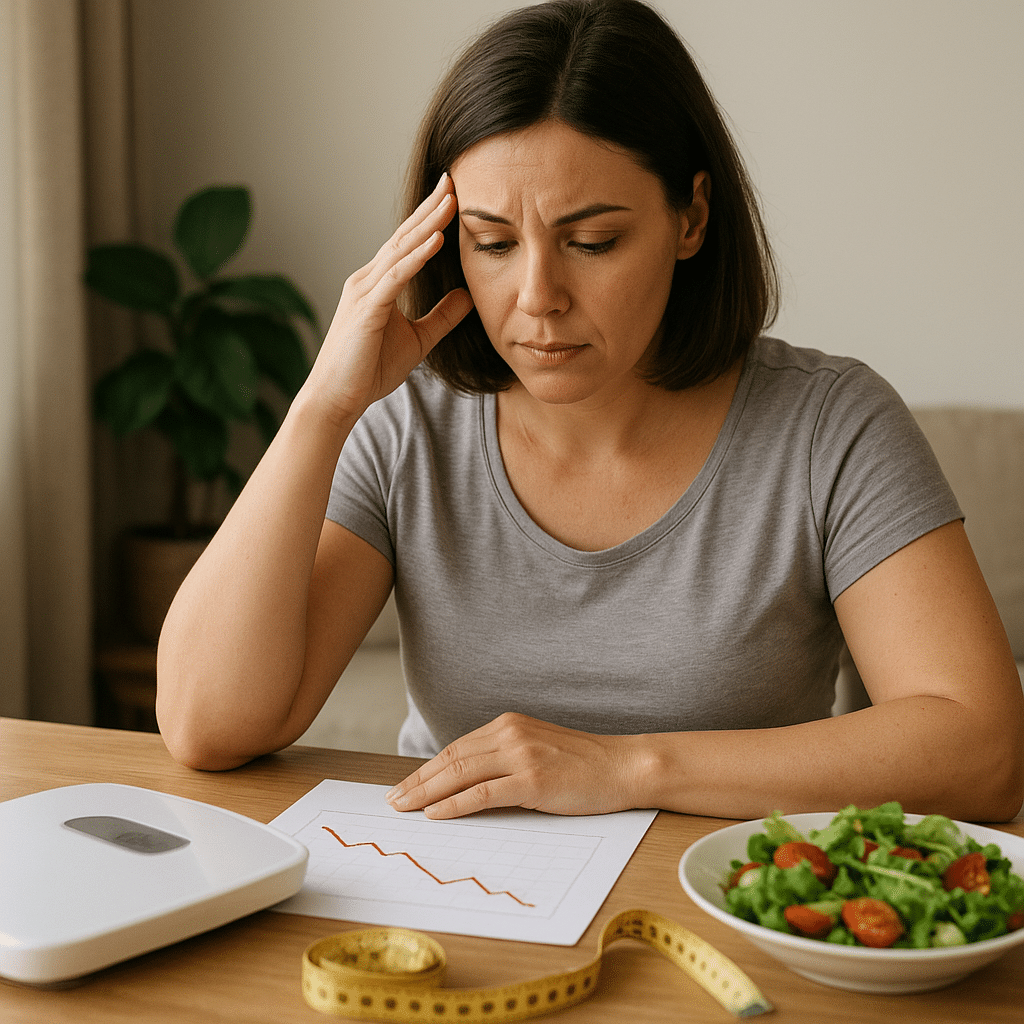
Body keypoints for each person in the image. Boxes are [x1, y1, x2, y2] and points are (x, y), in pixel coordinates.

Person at [156, 0, 1024, 823]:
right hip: (461, 901)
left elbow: (984, 750)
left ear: (692, 217)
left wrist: (624, 768)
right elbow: (205, 723)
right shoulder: (405, 428)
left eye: (592, 242)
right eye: (492, 243)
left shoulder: (833, 428)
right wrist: (322, 407)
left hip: (719, 906)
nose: (537, 298)